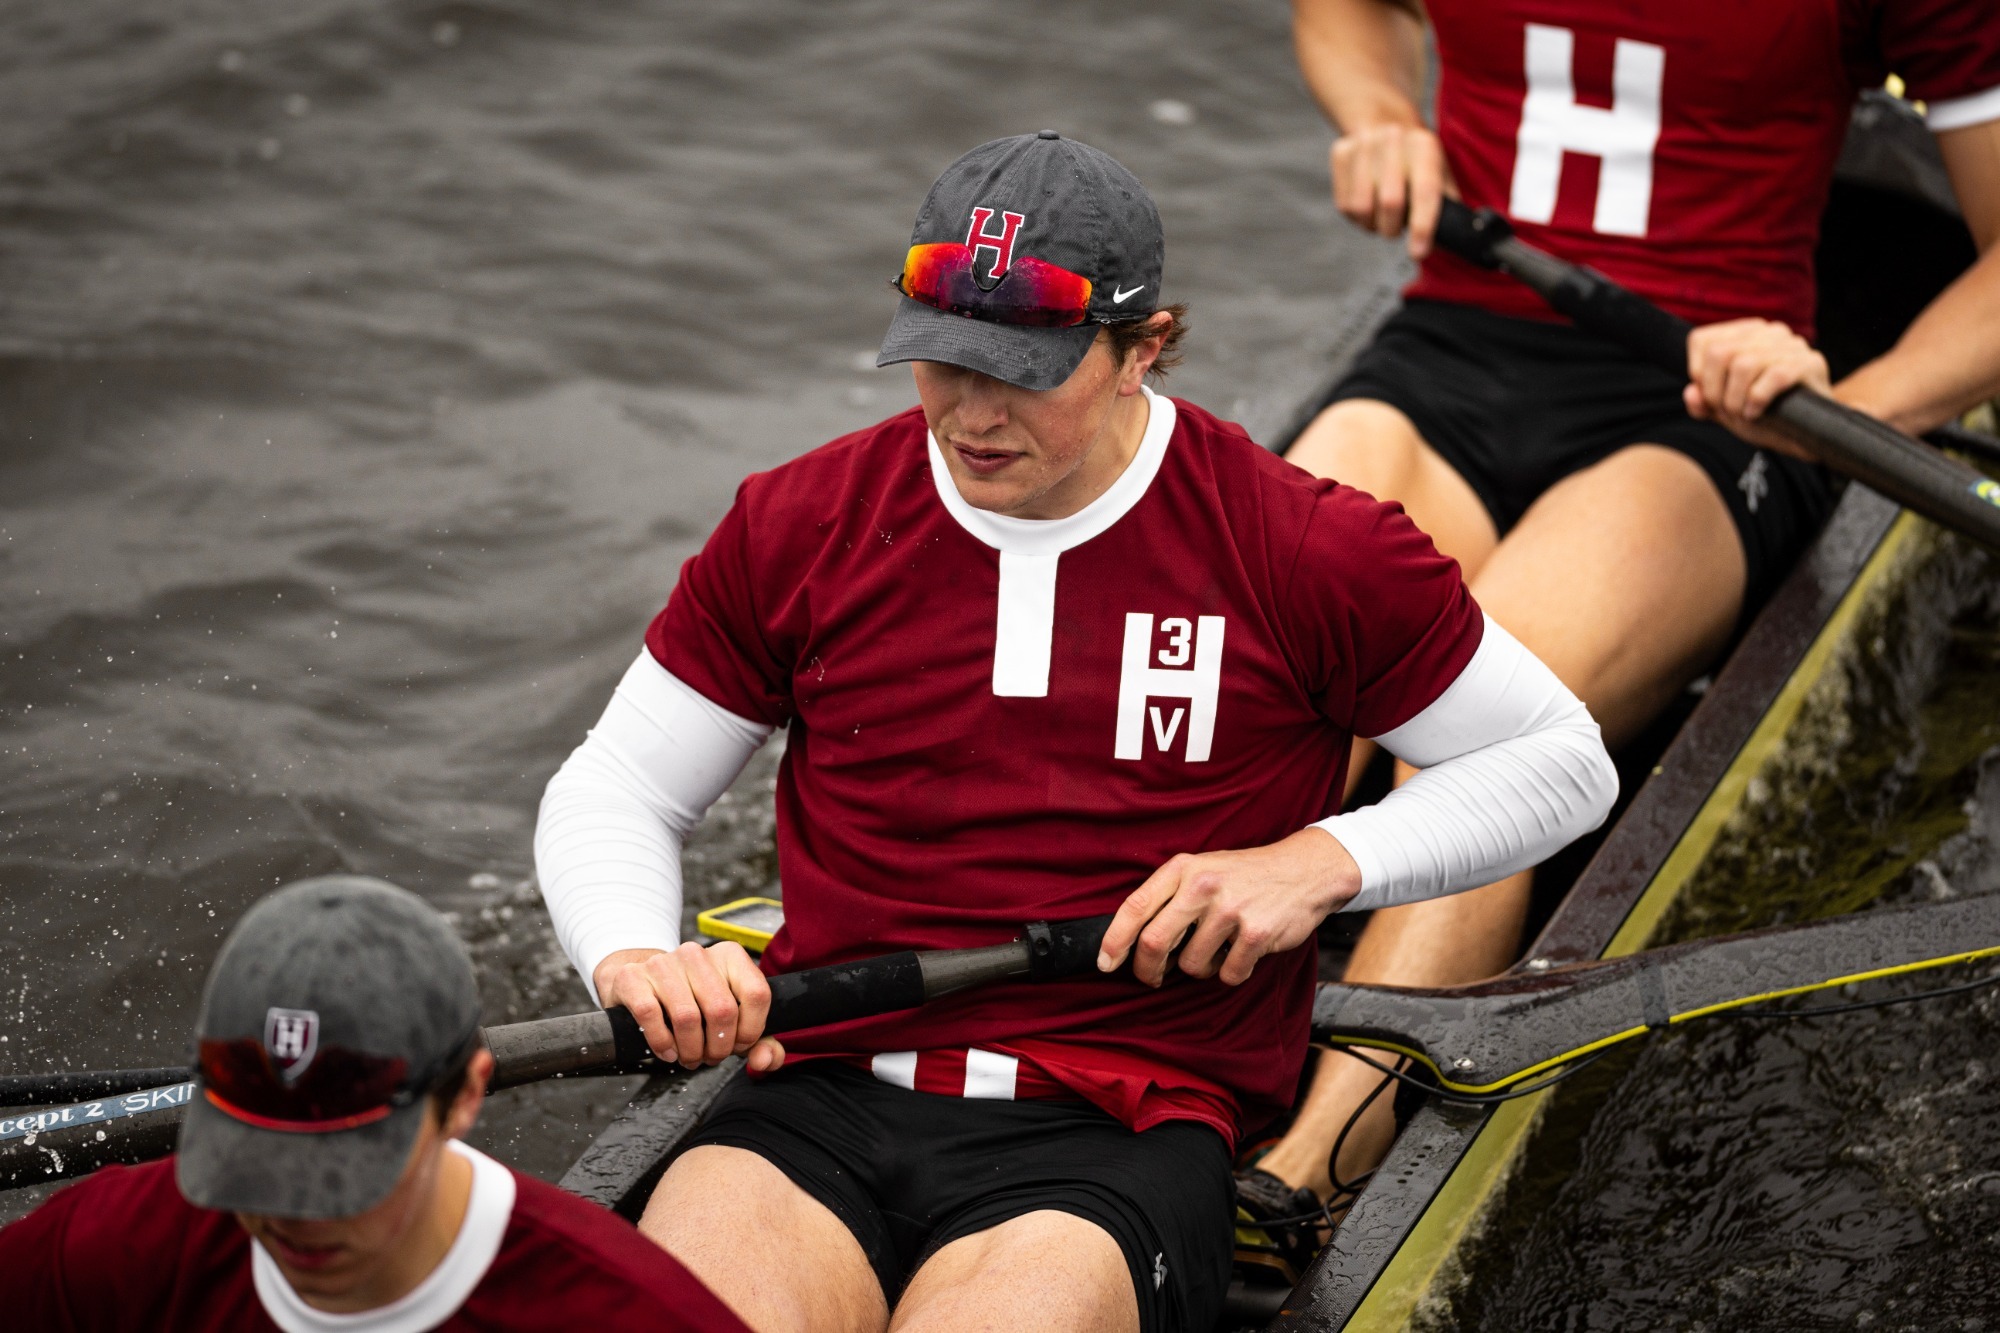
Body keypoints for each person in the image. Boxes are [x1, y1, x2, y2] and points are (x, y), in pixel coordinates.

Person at [534, 130, 1618, 1333]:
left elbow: (1561, 761)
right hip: (817, 1089)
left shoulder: (1301, 549)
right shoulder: (800, 521)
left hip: (1114, 1128)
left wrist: (1317, 864)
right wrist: (634, 958)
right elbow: (620, 787)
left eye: (1022, 370)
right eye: (942, 360)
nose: (972, 412)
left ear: (1141, 351)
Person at [1245, 0, 2000, 1222]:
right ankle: (1082, 1073)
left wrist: (1856, 402)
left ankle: (1296, 1187)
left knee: (1478, 728)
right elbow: (1343, 10)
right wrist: (1382, 116)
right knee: (1247, 664)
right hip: (1450, 342)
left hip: (1701, 402)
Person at [0, 875, 749, 1333]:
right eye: (256, 1161)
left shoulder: (625, 1311)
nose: (292, 1218)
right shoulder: (109, 1248)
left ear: (462, 1096)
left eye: (341, 1173)